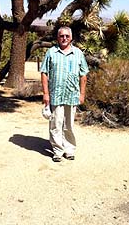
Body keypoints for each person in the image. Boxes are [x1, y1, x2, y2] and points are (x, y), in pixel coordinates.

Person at [40, 26, 89, 162]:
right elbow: (44, 73)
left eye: (67, 36)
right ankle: (57, 150)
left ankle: (69, 149)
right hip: (55, 94)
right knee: (55, 123)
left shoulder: (78, 53)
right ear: (57, 38)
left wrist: (82, 94)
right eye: (61, 36)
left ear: (71, 38)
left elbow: (83, 75)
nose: (64, 38)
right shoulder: (51, 53)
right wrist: (45, 94)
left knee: (69, 124)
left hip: (72, 94)